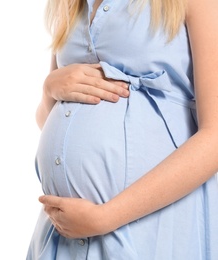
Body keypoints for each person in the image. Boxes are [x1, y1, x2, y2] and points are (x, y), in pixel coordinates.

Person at [26, 0, 218, 259]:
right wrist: (50, 88)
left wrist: (105, 217)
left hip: (152, 224)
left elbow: (214, 137)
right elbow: (47, 119)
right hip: (63, 233)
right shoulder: (69, 3)